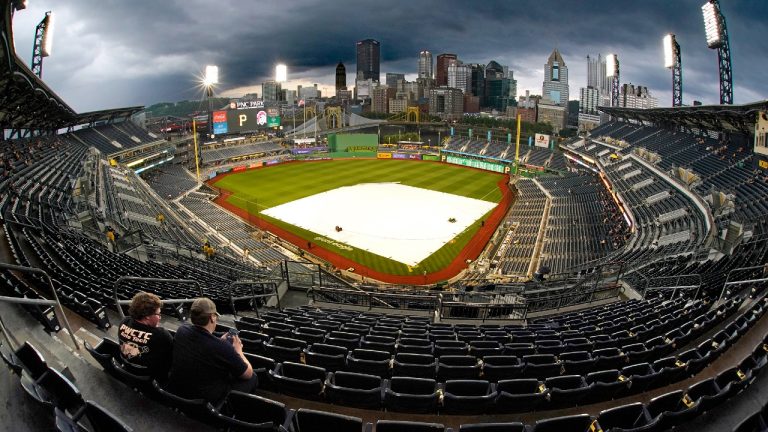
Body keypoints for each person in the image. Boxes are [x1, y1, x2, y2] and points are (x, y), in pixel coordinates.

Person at [166, 298, 257, 404]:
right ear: (212, 318)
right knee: (253, 378)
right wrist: (238, 351)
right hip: (204, 401)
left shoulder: (182, 331)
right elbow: (248, 373)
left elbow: (202, 343)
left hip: (177, 390)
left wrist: (219, 342)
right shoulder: (222, 347)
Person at [117, 292, 174, 381]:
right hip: (149, 377)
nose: (160, 317)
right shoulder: (161, 335)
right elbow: (173, 358)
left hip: (127, 368)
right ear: (147, 316)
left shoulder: (124, 322)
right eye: (158, 314)